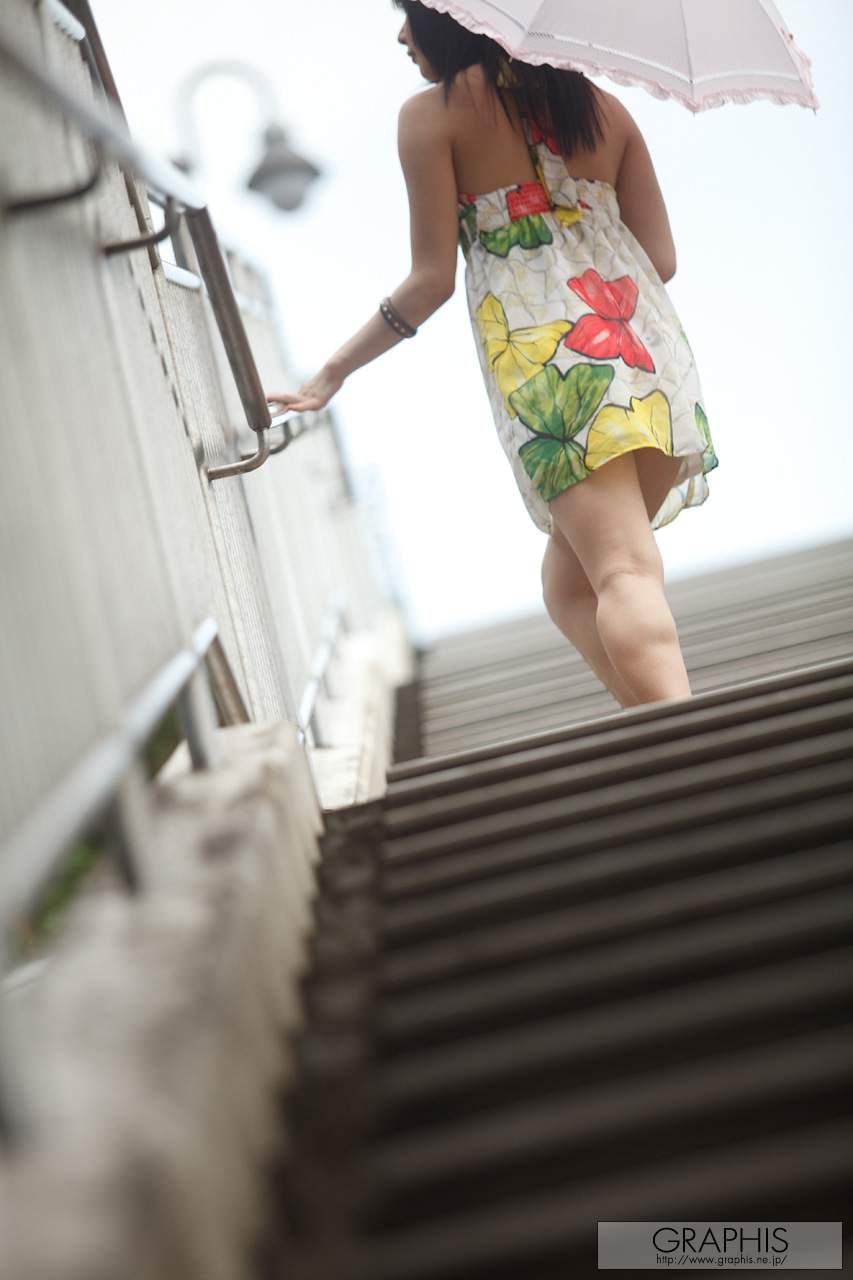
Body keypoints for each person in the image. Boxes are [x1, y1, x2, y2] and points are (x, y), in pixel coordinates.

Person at [267, 0, 719, 710]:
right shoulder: (604, 111)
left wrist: (331, 374)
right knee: (567, 586)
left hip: (554, 366)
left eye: (409, 12)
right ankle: (656, 725)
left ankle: (686, 736)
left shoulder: (432, 116)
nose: (401, 33)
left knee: (621, 572)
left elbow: (429, 282)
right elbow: (659, 259)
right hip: (646, 357)